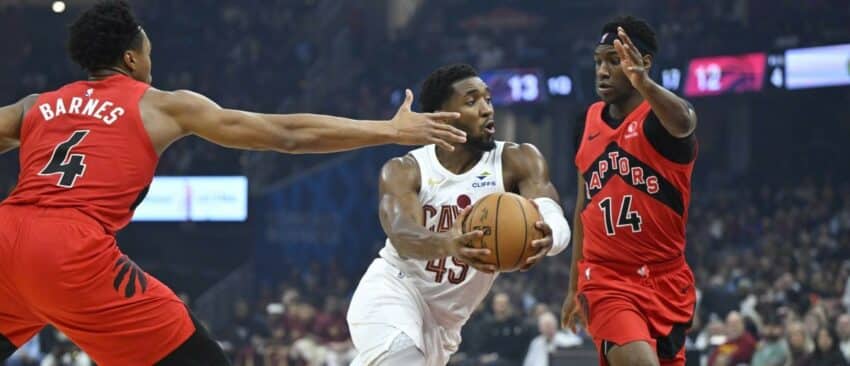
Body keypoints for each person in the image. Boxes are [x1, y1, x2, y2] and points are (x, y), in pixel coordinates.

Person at [0, 1, 466, 365]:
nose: (150, 63)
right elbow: (286, 134)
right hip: (70, 248)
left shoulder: (37, 103)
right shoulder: (160, 104)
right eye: (148, 53)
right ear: (130, 58)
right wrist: (389, 130)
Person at [346, 63, 572, 366]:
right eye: (471, 101)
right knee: (402, 352)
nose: (487, 109)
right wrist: (448, 244)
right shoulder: (406, 169)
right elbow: (402, 235)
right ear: (442, 115)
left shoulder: (517, 160)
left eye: (488, 99)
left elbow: (550, 210)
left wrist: (551, 235)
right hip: (395, 289)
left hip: (446, 325)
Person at [561, 15, 699, 366]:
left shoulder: (661, 123)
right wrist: (573, 287)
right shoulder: (586, 122)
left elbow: (685, 121)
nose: (602, 71)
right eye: (598, 62)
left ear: (643, 62)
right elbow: (583, 208)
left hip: (667, 281)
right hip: (606, 280)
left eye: (613, 61)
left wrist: (645, 83)